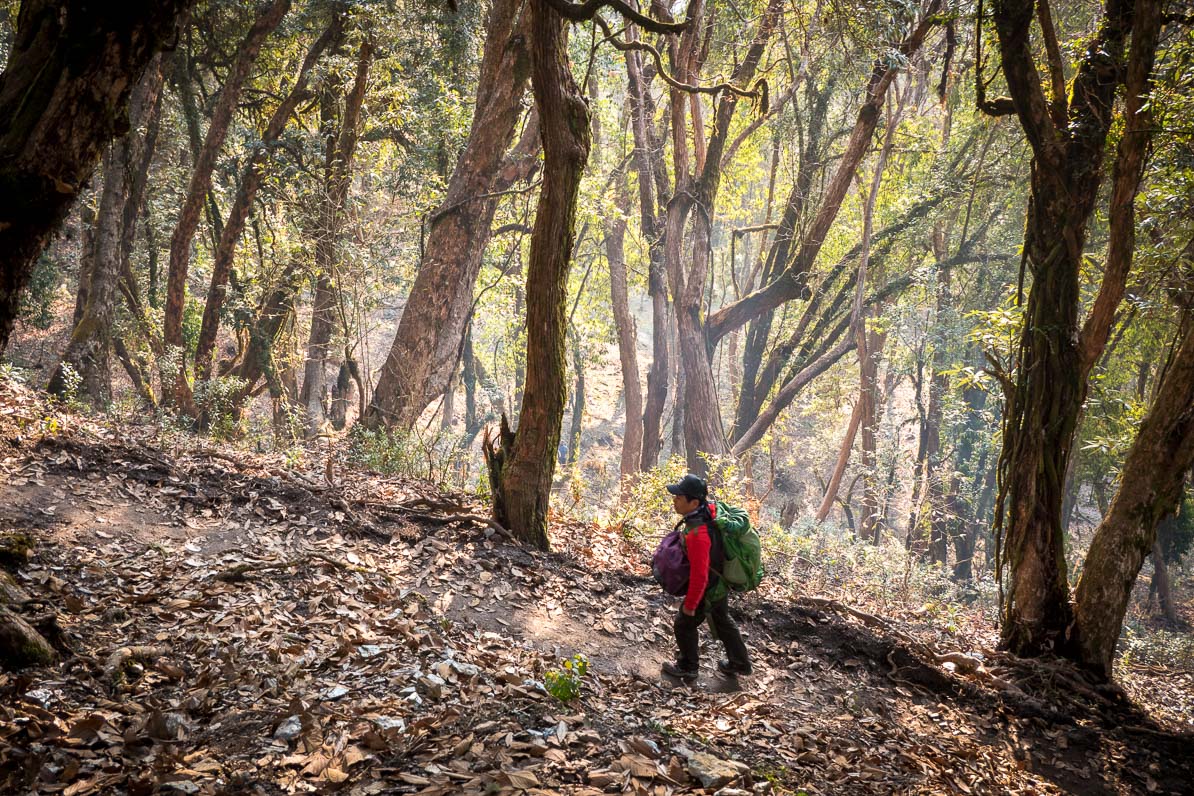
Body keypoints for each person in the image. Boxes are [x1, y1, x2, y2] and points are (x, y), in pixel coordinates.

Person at [661, 474, 752, 681]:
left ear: (693, 502)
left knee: (684, 623)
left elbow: (700, 575)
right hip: (719, 581)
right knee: (722, 620)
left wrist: (691, 604)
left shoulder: (698, 534)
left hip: (709, 586)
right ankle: (740, 663)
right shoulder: (709, 511)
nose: (674, 499)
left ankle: (688, 666)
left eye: (679, 497)